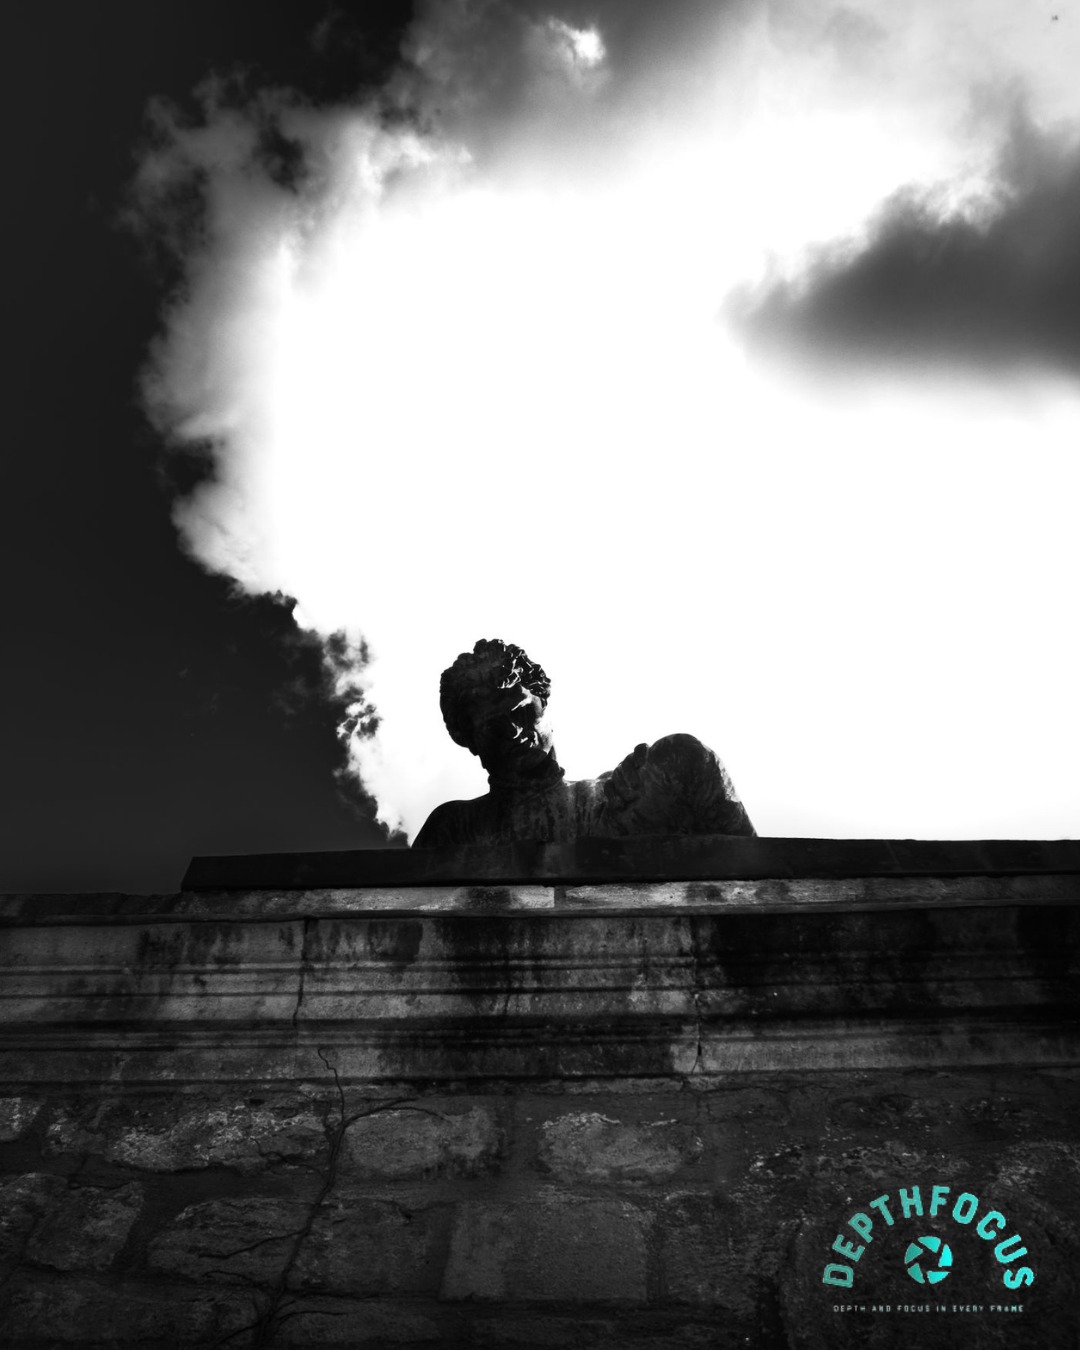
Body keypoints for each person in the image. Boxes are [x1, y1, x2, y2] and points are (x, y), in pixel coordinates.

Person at [412, 638, 755, 848]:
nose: (514, 732)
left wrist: (658, 789)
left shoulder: (617, 795)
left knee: (679, 752)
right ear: (468, 739)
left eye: (521, 712)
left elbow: (750, 869)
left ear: (542, 701)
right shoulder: (456, 827)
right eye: (494, 727)